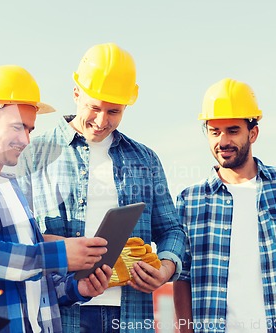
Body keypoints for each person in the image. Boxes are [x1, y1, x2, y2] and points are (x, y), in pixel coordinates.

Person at [17, 43, 186, 332]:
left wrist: (166, 267)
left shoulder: (145, 159)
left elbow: (171, 230)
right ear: (76, 93)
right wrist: (62, 248)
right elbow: (17, 236)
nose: (101, 121)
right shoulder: (34, 153)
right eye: (94, 108)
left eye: (114, 112)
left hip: (131, 313)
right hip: (60, 313)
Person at [0, 65, 113, 333]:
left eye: (29, 129)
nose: (26, 139)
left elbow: (31, 279)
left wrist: (76, 288)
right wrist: (58, 255)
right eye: (18, 127)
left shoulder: (13, 187)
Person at [173, 78, 276, 333]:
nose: (223, 141)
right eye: (214, 131)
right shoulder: (191, 200)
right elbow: (182, 276)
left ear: (253, 133)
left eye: (233, 130)